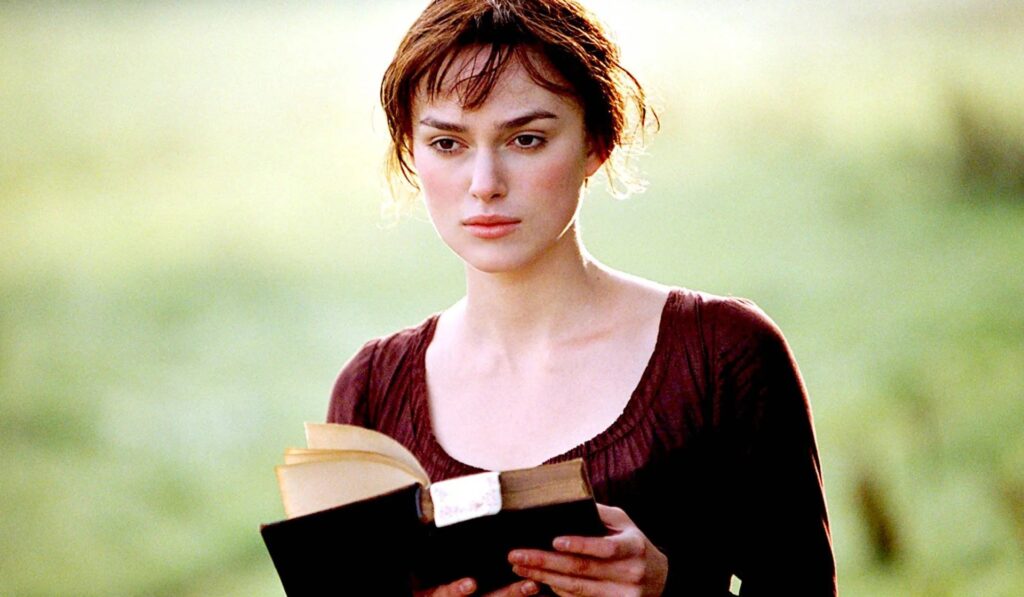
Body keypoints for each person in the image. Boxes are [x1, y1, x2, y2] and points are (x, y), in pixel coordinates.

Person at [328, 0, 837, 595]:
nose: (484, 184)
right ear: (410, 150)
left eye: (526, 139)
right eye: (447, 143)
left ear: (597, 142)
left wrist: (670, 587)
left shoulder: (722, 356)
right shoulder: (371, 393)